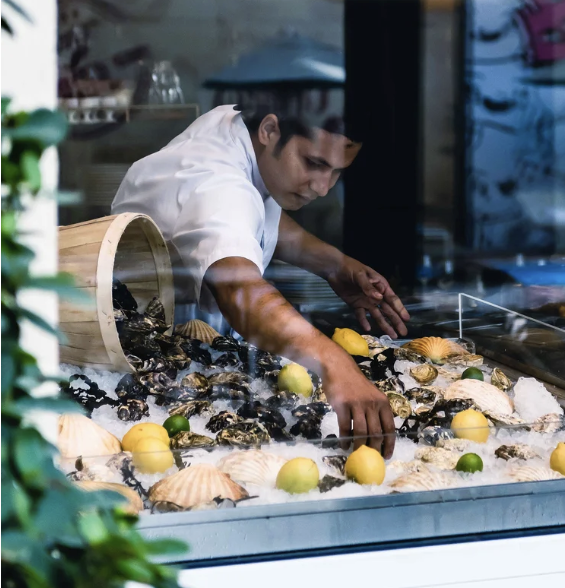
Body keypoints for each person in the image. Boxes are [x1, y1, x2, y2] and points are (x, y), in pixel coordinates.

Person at [112, 102, 409, 457]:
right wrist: (335, 364)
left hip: (193, 351)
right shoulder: (218, 184)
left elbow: (258, 216)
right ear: (269, 130)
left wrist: (335, 265)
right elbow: (240, 291)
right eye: (314, 163)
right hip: (144, 365)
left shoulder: (238, 129)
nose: (323, 187)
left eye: (337, 172)